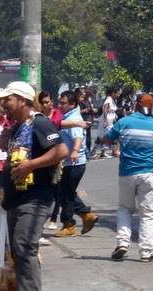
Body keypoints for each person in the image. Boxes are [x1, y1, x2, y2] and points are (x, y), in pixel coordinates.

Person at [0, 81, 68, 291]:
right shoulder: (18, 127)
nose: (4, 104)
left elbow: (61, 150)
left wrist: (31, 165)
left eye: (8, 99)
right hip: (14, 199)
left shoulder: (39, 123)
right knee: (18, 251)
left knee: (24, 247)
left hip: (34, 200)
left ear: (23, 101)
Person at [103, 94, 153, 262]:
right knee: (148, 214)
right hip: (148, 174)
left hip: (127, 173)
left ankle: (123, 243)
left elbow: (107, 139)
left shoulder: (124, 122)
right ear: (151, 107)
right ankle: (146, 252)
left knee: (125, 209)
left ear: (136, 105)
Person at [53, 91, 98, 237]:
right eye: (59, 102)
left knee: (66, 195)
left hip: (74, 162)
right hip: (67, 162)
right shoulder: (65, 117)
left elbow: (78, 137)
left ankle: (69, 225)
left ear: (72, 105)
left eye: (63, 103)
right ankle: (86, 215)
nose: (60, 105)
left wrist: (75, 151)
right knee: (64, 192)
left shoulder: (74, 118)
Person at [95, 86, 118, 158]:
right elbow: (104, 109)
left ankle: (101, 151)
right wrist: (105, 121)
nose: (118, 94)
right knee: (107, 136)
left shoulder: (112, 100)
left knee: (104, 136)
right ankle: (97, 151)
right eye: (117, 93)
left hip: (110, 121)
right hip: (106, 121)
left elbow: (111, 110)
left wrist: (115, 115)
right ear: (113, 93)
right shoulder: (108, 99)